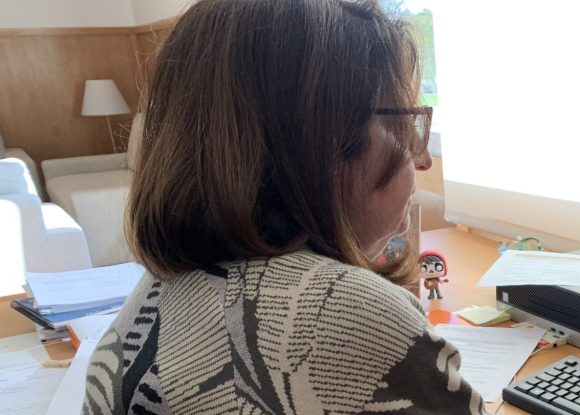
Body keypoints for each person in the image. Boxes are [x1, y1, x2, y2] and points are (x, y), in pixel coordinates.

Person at [82, 1, 486, 413]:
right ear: (322, 140)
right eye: (405, 124)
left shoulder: (158, 292)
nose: (423, 160)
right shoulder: (338, 310)